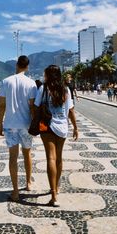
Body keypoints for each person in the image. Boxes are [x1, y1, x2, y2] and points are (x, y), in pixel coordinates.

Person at [34, 65, 78, 207]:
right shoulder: (66, 89)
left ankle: (53, 195)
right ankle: (57, 188)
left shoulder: (43, 89)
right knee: (59, 158)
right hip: (63, 127)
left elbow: (36, 107)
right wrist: (75, 128)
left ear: (48, 75)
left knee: (50, 158)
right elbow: (71, 110)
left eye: (45, 74)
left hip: (47, 126)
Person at [0, 55, 37, 202]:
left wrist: (0, 124)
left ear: (16, 65)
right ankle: (28, 183)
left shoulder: (5, 81)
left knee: (12, 157)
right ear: (27, 67)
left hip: (10, 125)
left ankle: (15, 191)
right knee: (27, 154)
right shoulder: (31, 83)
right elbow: (32, 107)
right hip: (26, 125)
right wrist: (34, 124)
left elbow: (2, 105)